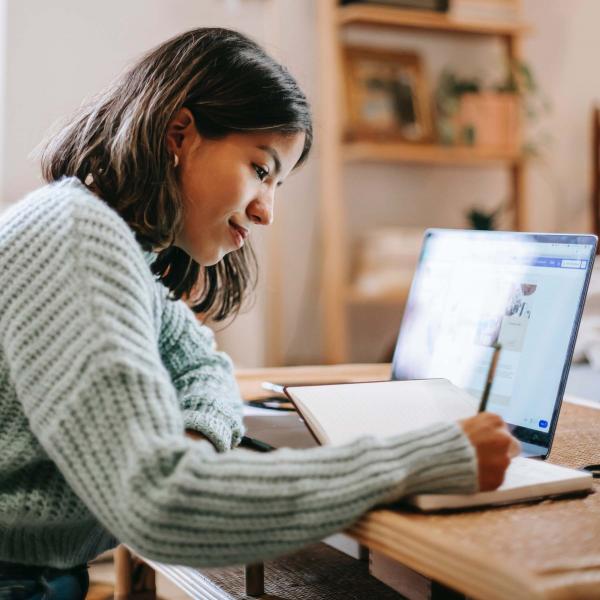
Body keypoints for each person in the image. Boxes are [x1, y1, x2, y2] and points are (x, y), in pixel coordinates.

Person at [0, 27, 519, 598]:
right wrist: (420, 457)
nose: (265, 211)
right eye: (261, 169)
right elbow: (163, 508)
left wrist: (193, 441)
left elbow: (205, 368)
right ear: (180, 133)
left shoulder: (116, 249)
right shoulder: (76, 239)